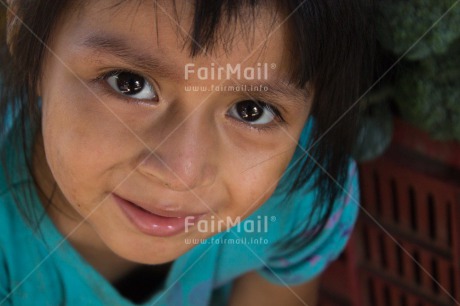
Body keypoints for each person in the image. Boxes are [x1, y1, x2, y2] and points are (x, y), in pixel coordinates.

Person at [0, 1, 373, 305]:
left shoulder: (299, 194)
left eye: (251, 111)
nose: (181, 173)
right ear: (24, 34)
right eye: (130, 84)